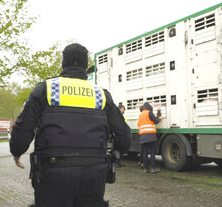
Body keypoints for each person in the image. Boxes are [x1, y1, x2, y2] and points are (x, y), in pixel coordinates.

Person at [9, 43, 131, 207]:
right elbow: (123, 135)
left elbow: (24, 128)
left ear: (63, 64)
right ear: (85, 66)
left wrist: (17, 151)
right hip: (95, 173)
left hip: (53, 173)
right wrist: (117, 153)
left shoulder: (46, 89)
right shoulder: (101, 94)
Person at [137, 102, 163, 173]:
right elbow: (156, 121)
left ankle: (145, 169)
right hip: (151, 136)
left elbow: (139, 124)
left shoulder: (141, 114)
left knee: (145, 153)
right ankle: (152, 168)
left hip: (143, 136)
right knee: (152, 153)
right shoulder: (149, 112)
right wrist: (160, 118)